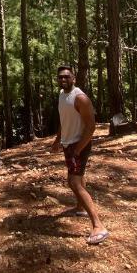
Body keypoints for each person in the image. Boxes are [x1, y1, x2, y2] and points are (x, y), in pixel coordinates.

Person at [50, 65, 109, 245]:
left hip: (79, 145)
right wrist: (57, 140)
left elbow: (91, 127)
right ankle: (79, 207)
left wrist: (78, 149)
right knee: (78, 177)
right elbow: (63, 120)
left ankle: (98, 226)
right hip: (68, 144)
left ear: (74, 78)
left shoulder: (80, 97)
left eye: (66, 77)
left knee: (74, 182)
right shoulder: (62, 95)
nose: (63, 80)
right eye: (60, 77)